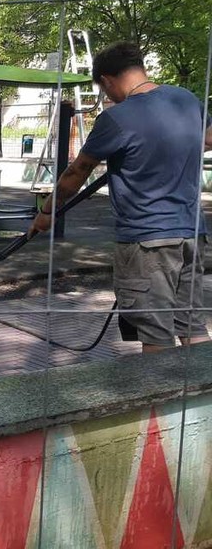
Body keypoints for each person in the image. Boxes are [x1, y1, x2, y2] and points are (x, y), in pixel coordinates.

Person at [30, 42, 212, 353]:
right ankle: (201, 385)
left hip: (147, 241)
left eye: (103, 89)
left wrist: (47, 213)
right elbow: (207, 139)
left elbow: (77, 171)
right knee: (191, 324)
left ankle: (156, 387)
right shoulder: (185, 99)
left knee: (155, 331)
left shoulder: (117, 118)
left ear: (107, 80)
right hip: (192, 234)